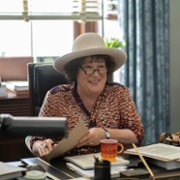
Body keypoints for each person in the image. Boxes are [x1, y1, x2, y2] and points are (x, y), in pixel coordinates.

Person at [30, 32, 144, 157]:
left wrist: (105, 134)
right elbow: (35, 140)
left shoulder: (119, 93)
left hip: (112, 166)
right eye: (88, 67)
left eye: (100, 67)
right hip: (68, 171)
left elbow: (137, 134)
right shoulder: (56, 96)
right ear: (75, 71)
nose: (96, 74)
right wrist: (42, 146)